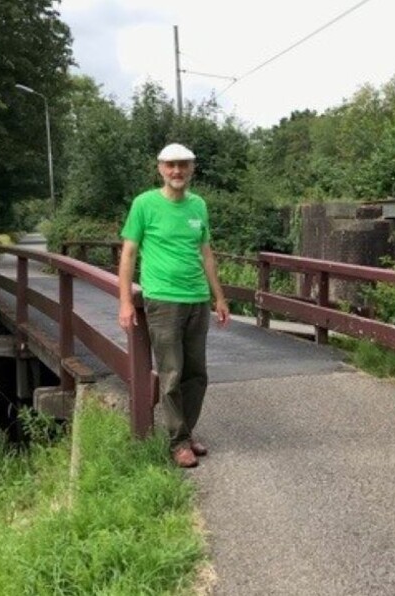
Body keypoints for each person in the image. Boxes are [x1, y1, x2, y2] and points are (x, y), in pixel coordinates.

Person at [118, 142, 230, 468]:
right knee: (172, 373)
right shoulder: (144, 204)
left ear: (192, 169)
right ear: (160, 169)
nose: (177, 171)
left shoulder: (198, 206)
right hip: (163, 300)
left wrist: (219, 296)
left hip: (197, 299)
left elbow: (206, 254)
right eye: (171, 165)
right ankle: (178, 442)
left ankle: (186, 430)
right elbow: (128, 253)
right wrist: (125, 301)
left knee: (197, 374)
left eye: (183, 165)